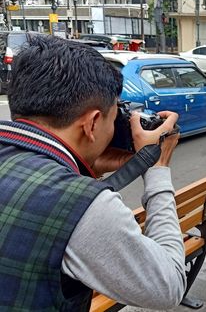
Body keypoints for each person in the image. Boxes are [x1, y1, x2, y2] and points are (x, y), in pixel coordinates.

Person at [0, 36, 186, 310]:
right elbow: (167, 286)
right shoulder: (82, 204)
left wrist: (82, 167)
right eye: (115, 117)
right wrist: (156, 166)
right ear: (93, 123)